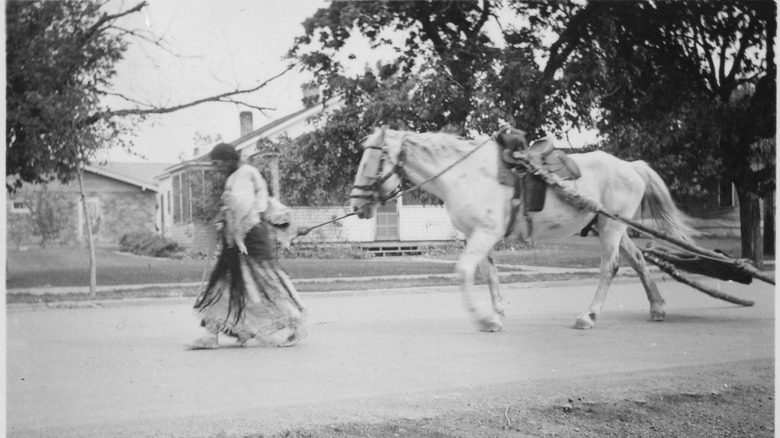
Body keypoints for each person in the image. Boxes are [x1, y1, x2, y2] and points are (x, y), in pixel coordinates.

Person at [187, 143, 306, 349]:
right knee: (225, 287)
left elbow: (242, 205)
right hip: (240, 237)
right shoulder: (242, 173)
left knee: (264, 286)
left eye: (218, 163)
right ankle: (213, 334)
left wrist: (228, 220)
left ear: (228, 159)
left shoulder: (243, 174)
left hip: (246, 238)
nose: (217, 168)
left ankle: (295, 324)